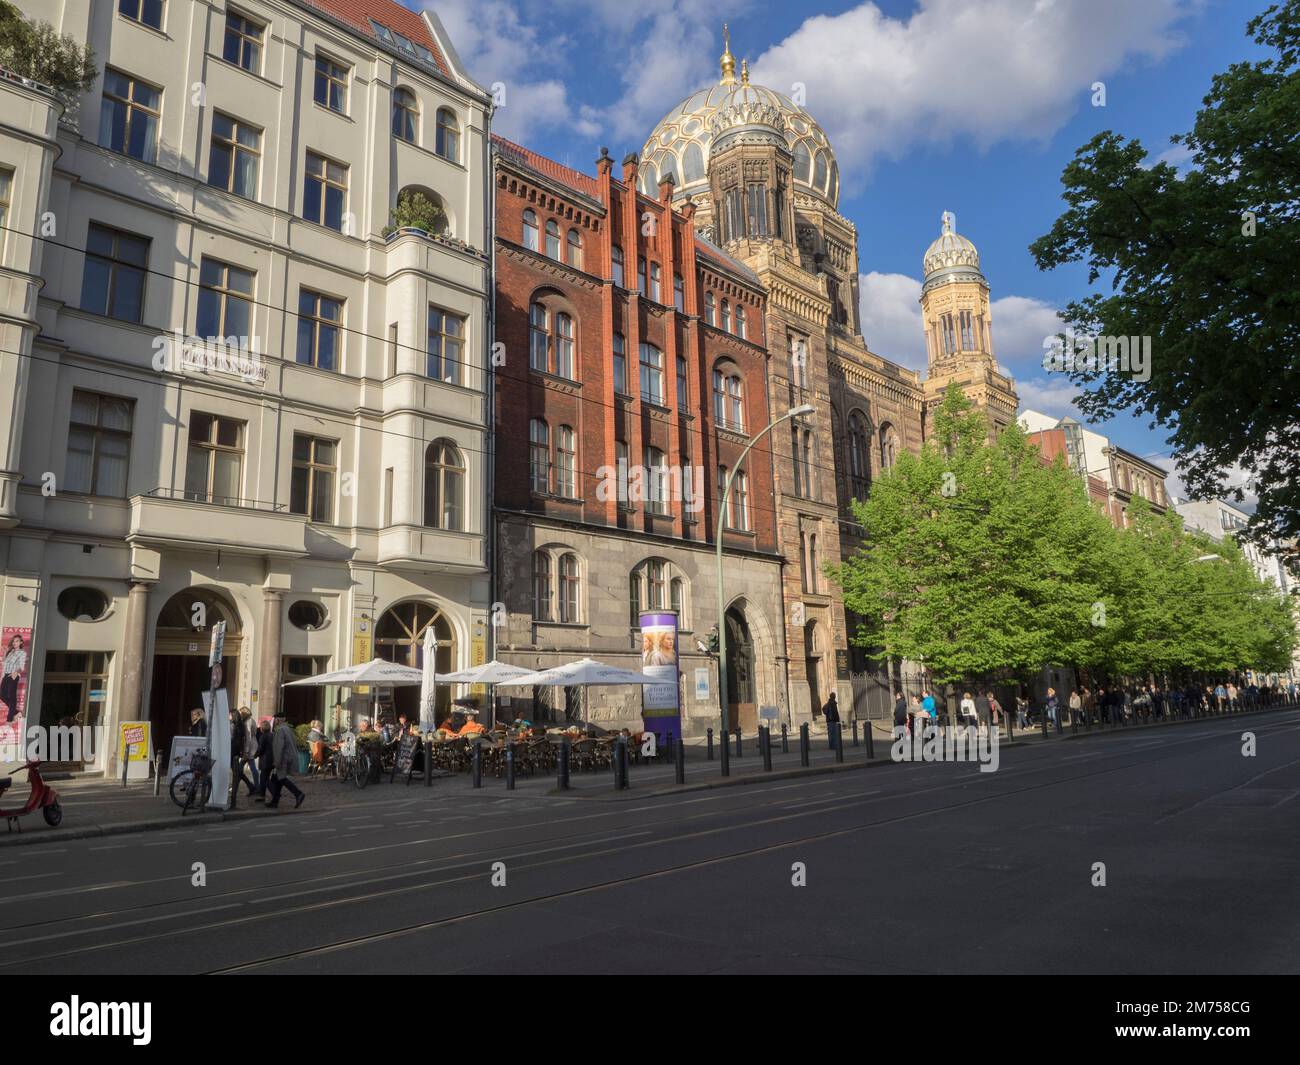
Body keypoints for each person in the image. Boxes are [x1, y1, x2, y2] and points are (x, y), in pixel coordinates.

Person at [267, 714, 305, 809]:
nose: (274, 722)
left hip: (283, 758)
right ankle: (275, 801)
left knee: (281, 778)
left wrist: (277, 761)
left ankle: (298, 794)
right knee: (277, 778)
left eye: (274, 719)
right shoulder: (287, 729)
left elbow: (279, 747)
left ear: (278, 720)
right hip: (288, 756)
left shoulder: (280, 730)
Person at [228, 706, 256, 807]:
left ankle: (233, 800)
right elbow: (244, 740)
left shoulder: (233, 726)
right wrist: (244, 751)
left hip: (232, 751)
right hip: (237, 752)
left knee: (237, 773)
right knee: (238, 772)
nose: (228, 716)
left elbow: (232, 738)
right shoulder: (241, 725)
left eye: (230, 714)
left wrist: (246, 752)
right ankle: (251, 787)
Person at [0, 633, 27, 723]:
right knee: (2, 695)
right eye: (13, 641)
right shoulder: (10, 652)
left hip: (13, 675)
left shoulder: (22, 653)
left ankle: (9, 719)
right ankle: (16, 713)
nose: (14, 643)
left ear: (20, 642)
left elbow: (22, 667)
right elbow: (4, 663)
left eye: (17, 641)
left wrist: (16, 672)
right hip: (6, 675)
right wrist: (5, 653)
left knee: (12, 696)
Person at [253, 719, 273, 801]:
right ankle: (262, 795)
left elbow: (260, 749)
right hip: (271, 759)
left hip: (265, 760)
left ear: (262, 729)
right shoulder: (272, 735)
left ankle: (274, 793)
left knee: (264, 778)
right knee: (265, 777)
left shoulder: (263, 737)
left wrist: (255, 755)